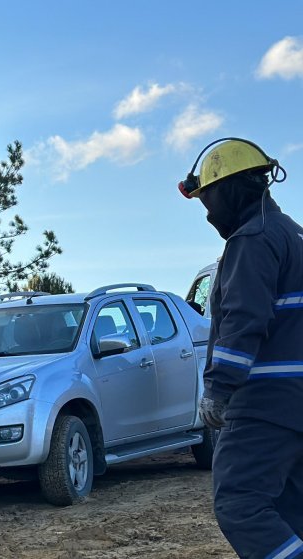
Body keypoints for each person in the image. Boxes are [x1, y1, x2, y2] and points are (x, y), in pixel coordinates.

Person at [180, 138, 303, 559]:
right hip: (294, 405)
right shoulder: (292, 234)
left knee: (240, 502)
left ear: (231, 191)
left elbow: (243, 320)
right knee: (290, 509)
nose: (209, 213)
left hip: (263, 403)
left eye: (208, 200)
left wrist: (217, 388)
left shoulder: (252, 238)